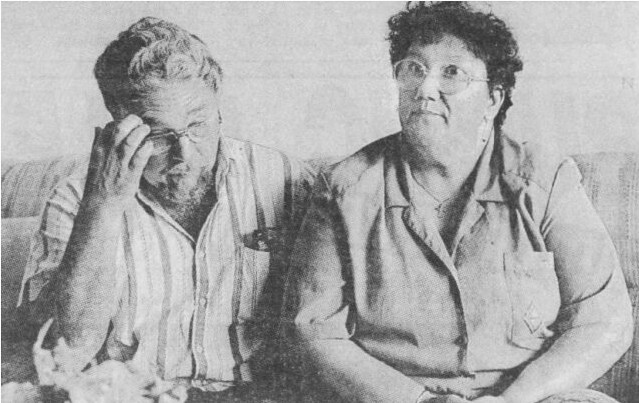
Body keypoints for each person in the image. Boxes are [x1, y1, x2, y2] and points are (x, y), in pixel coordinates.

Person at [283, 2, 633, 403]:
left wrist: (511, 401)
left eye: (451, 73)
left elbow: (604, 320)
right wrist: (421, 401)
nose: (425, 88)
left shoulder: (545, 181)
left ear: (493, 100)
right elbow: (316, 331)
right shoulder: (344, 189)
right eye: (414, 68)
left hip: (530, 396)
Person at [18, 16, 314, 398]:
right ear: (118, 126)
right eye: (158, 134)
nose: (184, 154)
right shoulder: (75, 201)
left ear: (219, 111)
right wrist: (103, 206)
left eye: (198, 125)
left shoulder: (288, 181)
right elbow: (67, 352)